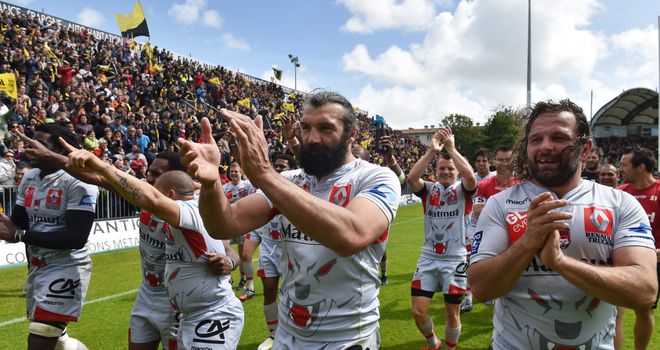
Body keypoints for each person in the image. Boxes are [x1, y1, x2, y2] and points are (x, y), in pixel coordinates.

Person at [179, 90, 401, 349]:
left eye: (325, 128)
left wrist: (263, 173)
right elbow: (224, 224)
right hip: (288, 333)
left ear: (352, 133)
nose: (312, 138)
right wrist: (211, 182)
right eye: (305, 128)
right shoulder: (290, 180)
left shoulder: (377, 178)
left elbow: (351, 235)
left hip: (348, 337)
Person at [468, 99, 657, 350]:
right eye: (536, 140)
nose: (545, 146)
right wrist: (527, 243)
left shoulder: (620, 204)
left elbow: (644, 292)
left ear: (586, 148)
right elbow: (481, 289)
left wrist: (560, 262)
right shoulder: (500, 204)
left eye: (558, 137)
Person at [61, 141, 245, 350]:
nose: (148, 180)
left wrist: (229, 260)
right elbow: (103, 180)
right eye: (148, 173)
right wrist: (56, 159)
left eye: (156, 175)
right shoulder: (156, 195)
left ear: (171, 189)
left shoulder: (194, 209)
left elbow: (228, 249)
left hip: (188, 304)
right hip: (154, 294)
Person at [0, 124, 98, 350]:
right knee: (56, 336)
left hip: (66, 266)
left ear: (60, 151)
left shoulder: (79, 181)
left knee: (42, 332)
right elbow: (21, 222)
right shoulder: (30, 177)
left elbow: (76, 237)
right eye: (30, 141)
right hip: (37, 265)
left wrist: (19, 235)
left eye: (40, 144)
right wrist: (8, 226)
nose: (30, 147)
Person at [406, 127, 477, 350]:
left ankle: (450, 348)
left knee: (452, 313)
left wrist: (452, 149)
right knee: (418, 311)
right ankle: (434, 342)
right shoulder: (428, 190)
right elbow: (411, 178)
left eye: (450, 169)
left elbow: (471, 177)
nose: (446, 172)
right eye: (442, 168)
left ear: (456, 172)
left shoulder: (464, 190)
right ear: (436, 170)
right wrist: (431, 152)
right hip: (428, 257)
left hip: (455, 259)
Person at [240, 154, 297, 350]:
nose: (279, 169)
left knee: (292, 293)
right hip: (268, 247)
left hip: (289, 250)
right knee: (270, 291)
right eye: (277, 166)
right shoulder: (263, 191)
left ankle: (294, 331)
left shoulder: (297, 192)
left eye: (283, 166)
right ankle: (273, 335)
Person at [462, 145, 517, 313]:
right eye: (500, 159)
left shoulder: (521, 183)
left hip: (514, 235)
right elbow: (478, 211)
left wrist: (494, 208)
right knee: (476, 265)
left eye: (508, 159)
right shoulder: (485, 184)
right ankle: (469, 297)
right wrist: (510, 211)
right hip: (488, 235)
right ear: (495, 161)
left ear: (513, 161)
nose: (504, 163)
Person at [617, 147, 659, 350]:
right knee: (616, 309)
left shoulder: (659, 192)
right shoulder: (620, 193)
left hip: (654, 263)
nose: (620, 169)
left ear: (640, 167)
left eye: (624, 165)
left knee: (644, 310)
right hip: (623, 261)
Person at [222, 162, 256, 296]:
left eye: (236, 171)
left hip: (243, 224)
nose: (234, 174)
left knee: (244, 254)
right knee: (224, 251)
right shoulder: (225, 188)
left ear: (241, 173)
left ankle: (243, 279)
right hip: (229, 224)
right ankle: (228, 280)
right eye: (231, 172)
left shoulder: (247, 185)